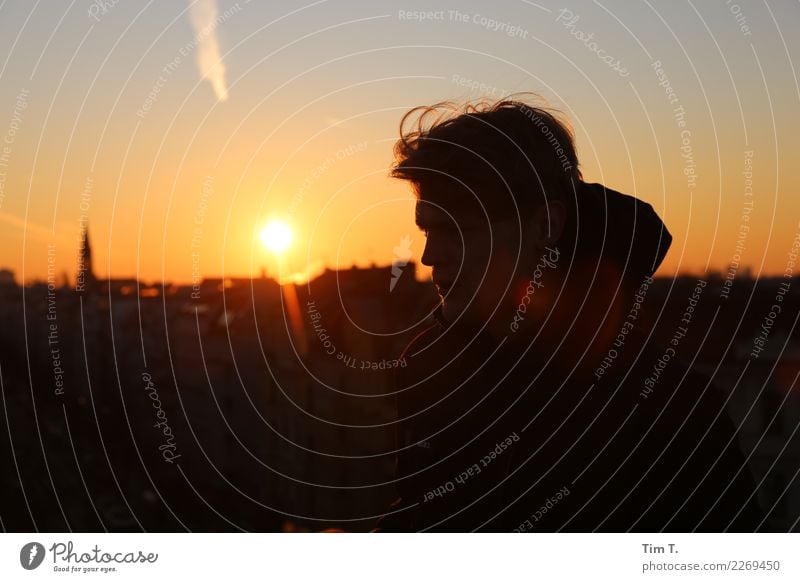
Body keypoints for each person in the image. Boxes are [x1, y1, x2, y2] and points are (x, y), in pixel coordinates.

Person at [375, 96, 765, 532]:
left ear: (546, 226)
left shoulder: (664, 407)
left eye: (457, 228)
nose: (429, 256)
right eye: (427, 229)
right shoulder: (432, 368)